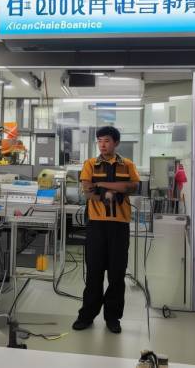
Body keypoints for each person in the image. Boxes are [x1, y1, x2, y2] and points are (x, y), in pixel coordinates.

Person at [72, 126, 139, 334]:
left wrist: (100, 183)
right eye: (100, 141)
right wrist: (111, 190)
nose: (102, 144)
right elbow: (88, 192)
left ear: (116, 143)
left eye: (107, 140)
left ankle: (113, 318)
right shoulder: (90, 164)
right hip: (97, 225)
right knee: (94, 272)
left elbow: (132, 187)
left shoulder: (127, 165)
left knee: (117, 274)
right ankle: (87, 315)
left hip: (120, 225)